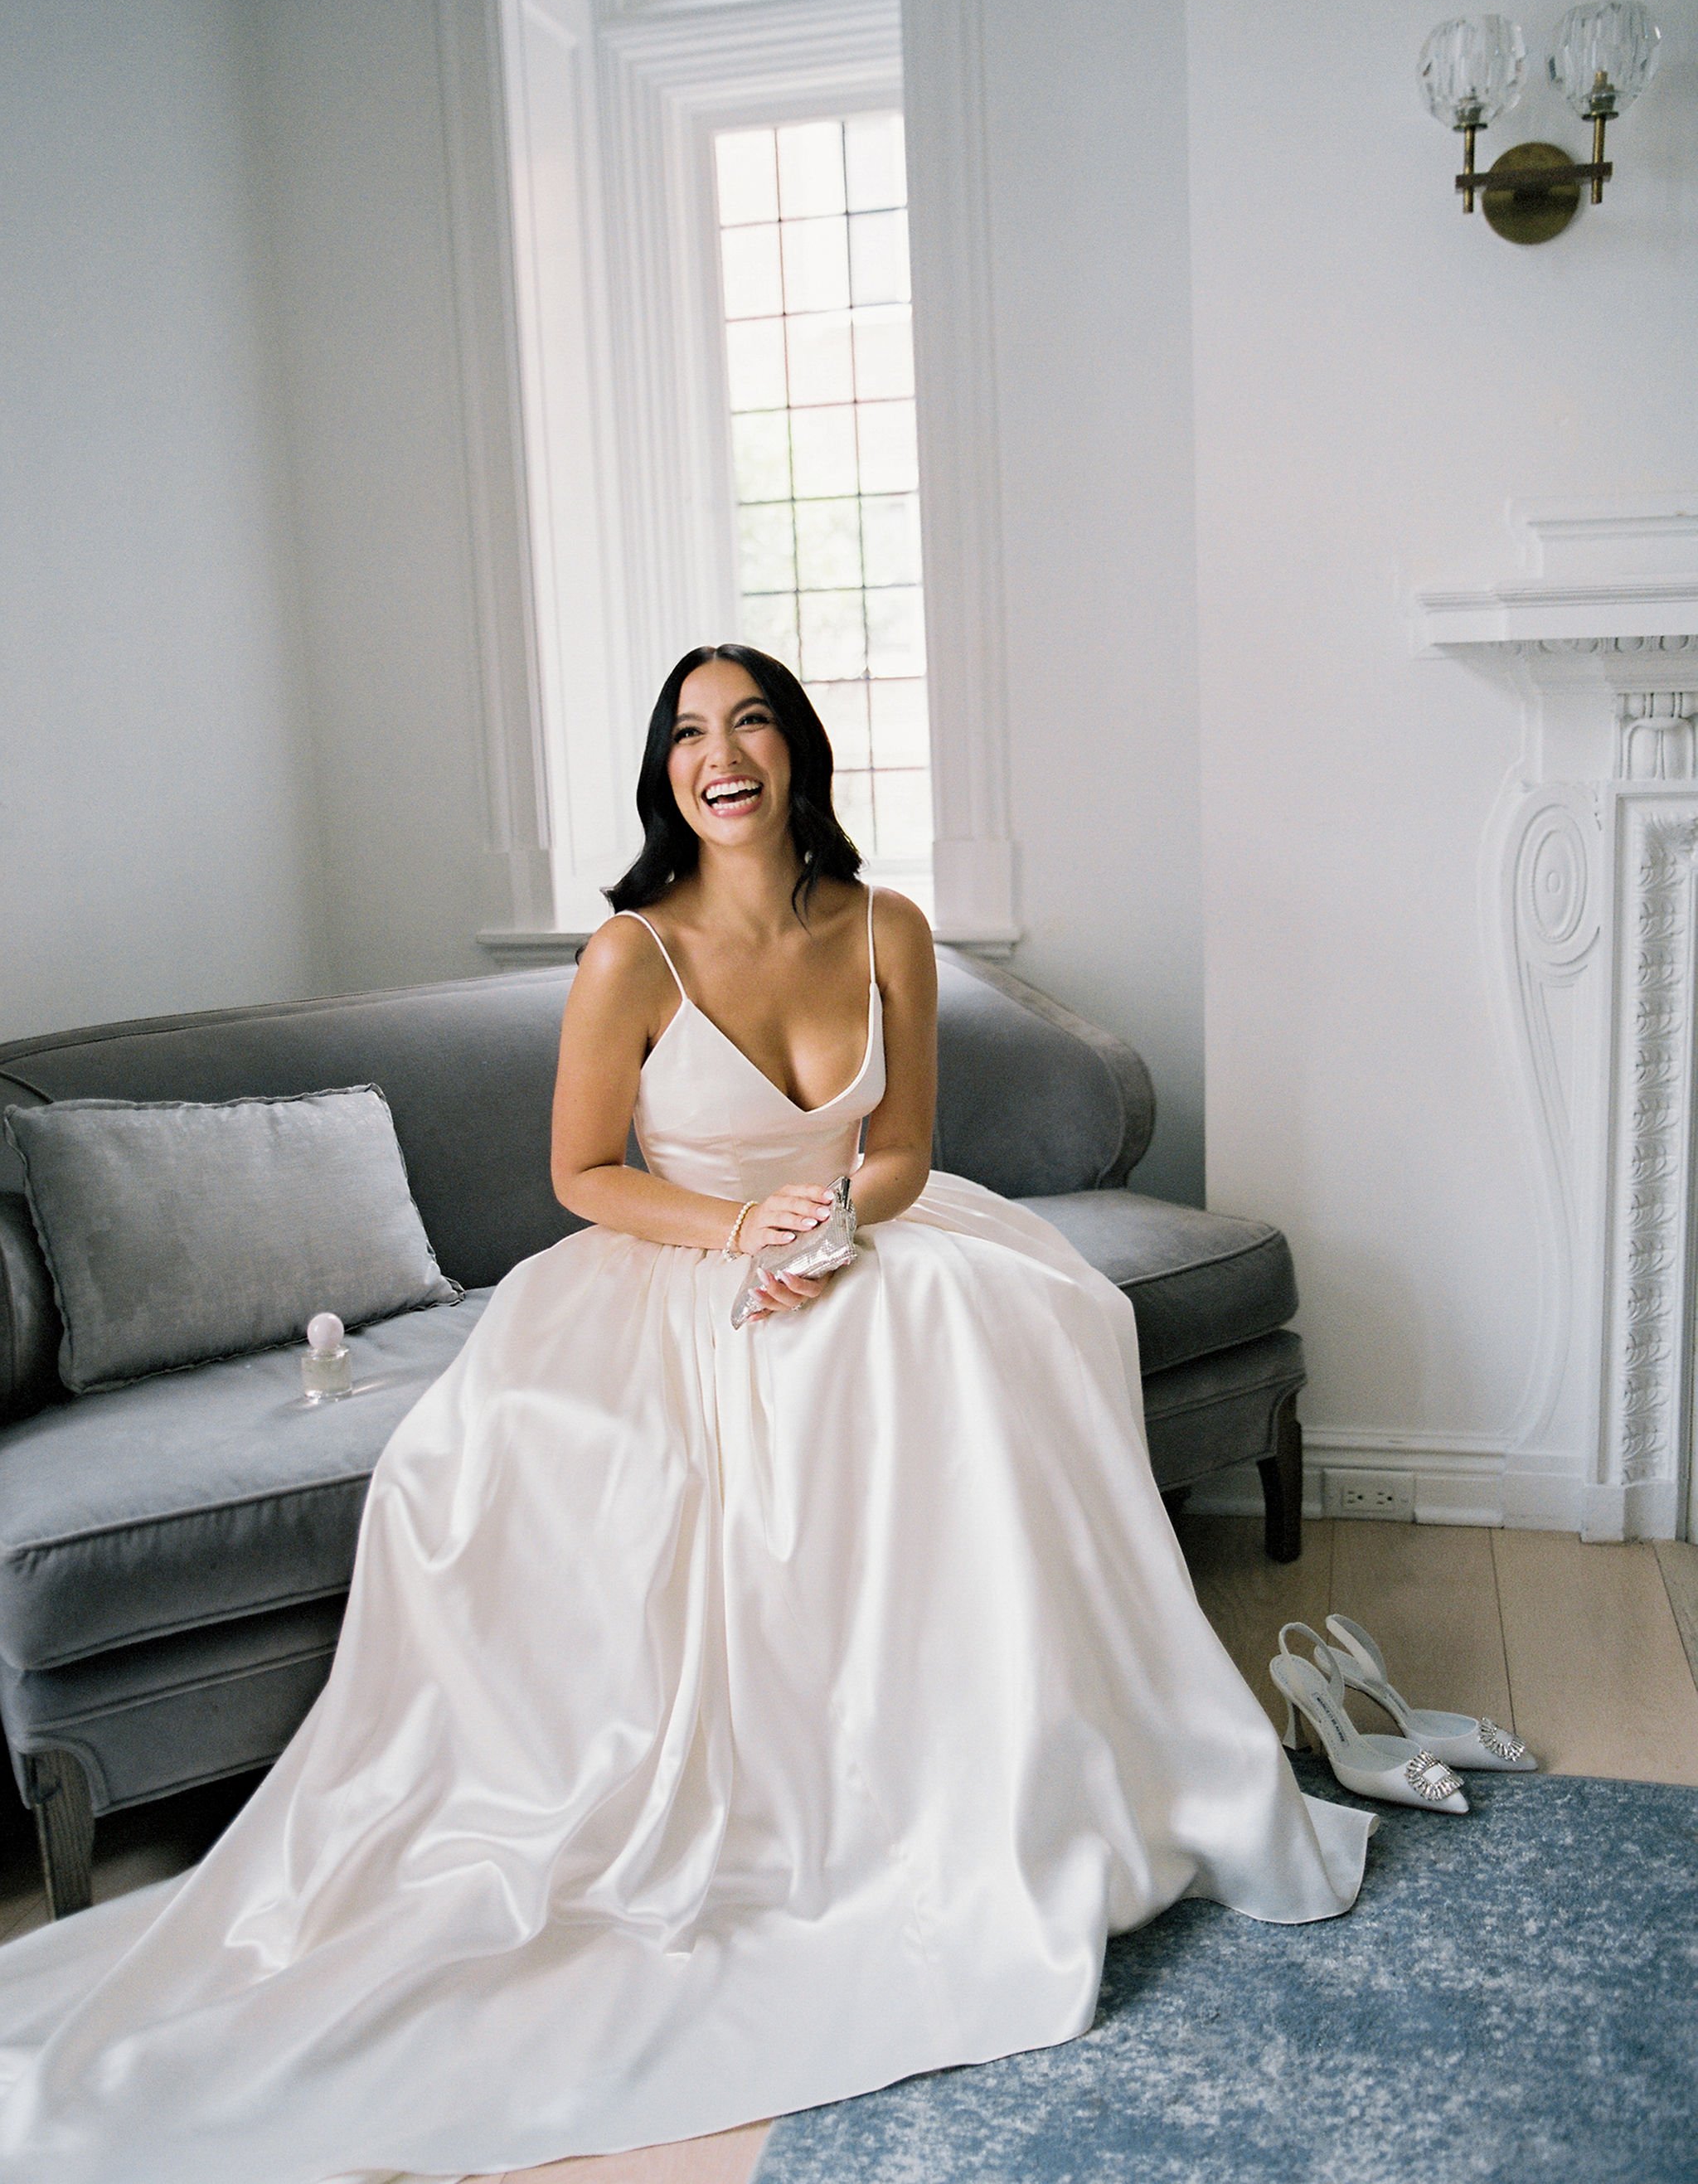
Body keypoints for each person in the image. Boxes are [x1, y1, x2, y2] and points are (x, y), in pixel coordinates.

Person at [0, 645, 1371, 2184]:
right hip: (672, 1262)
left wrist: (839, 1226)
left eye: (753, 724)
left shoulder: (889, 929)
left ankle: (996, 1775)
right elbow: (584, 1174)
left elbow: (907, 1142)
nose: (722, 756)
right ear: (668, 773)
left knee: (997, 1319)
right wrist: (742, 1240)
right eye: (691, 735)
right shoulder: (629, 958)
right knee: (687, 1426)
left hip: (856, 1231)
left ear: (799, 754)